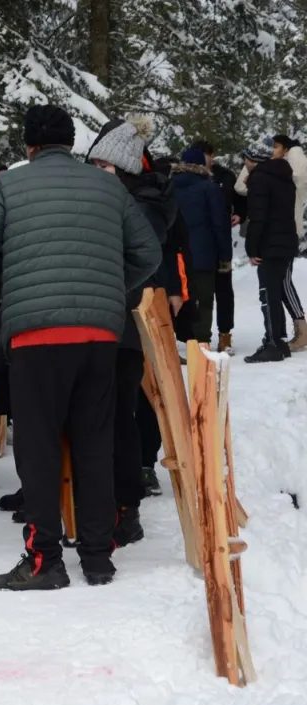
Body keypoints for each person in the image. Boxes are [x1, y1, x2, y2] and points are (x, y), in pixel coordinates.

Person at [0, 105, 160, 590]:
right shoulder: (109, 186)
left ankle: (44, 560)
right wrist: (111, 288)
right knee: (96, 441)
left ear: (28, 145)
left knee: (39, 447)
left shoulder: (8, 186)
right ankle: (97, 556)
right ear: (72, 142)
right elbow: (149, 254)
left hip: (36, 334)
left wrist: (21, 273)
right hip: (99, 334)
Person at [88, 116, 181, 545]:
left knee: (120, 419)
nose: (97, 176)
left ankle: (126, 509)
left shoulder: (142, 205)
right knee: (104, 417)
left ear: (123, 169)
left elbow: (132, 260)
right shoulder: (126, 200)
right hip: (106, 318)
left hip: (124, 322)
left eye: (104, 169)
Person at [241, 139, 299, 362]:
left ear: (253, 159)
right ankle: (279, 341)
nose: (245, 162)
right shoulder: (283, 176)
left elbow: (258, 217)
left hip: (270, 243)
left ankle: (273, 343)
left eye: (246, 158)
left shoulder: (260, 179)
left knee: (268, 293)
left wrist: (252, 247)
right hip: (285, 240)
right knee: (274, 291)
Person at [173, 146, 232, 347]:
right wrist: (225, 256)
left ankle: (184, 340)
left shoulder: (169, 186)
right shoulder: (209, 188)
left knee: (179, 296)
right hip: (203, 253)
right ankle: (201, 342)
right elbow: (220, 224)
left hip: (176, 254)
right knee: (204, 300)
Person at [271, 135, 307, 350]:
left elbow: (299, 176)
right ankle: (299, 327)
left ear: (285, 149)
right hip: (286, 230)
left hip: (288, 231)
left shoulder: (296, 162)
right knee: (282, 281)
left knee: (284, 281)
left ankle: (302, 328)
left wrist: (291, 152)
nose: (272, 151)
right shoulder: (290, 164)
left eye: (276, 147)